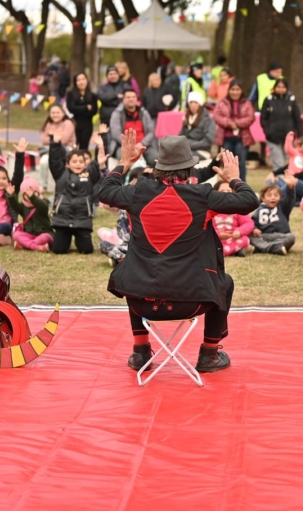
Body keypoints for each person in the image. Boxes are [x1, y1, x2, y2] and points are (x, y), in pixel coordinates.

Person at [94, 131, 259, 374]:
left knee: (135, 274)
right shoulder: (203, 197)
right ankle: (209, 355)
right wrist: (235, 178)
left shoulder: (137, 193)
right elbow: (249, 201)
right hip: (192, 301)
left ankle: (140, 353)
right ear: (190, 168)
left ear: (159, 167)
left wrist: (124, 163)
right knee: (225, 282)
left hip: (143, 303)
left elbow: (104, 192)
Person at [49, 134, 103, 255]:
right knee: (58, 250)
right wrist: (55, 144)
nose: (78, 164)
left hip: (82, 220)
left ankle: (81, 239)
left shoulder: (90, 174)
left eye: (81, 161)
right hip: (62, 220)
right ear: (67, 164)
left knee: (86, 250)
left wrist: (99, 146)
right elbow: (54, 161)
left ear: (85, 164)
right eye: (74, 161)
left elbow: (97, 163)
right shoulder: (60, 174)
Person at [212, 80, 256, 181]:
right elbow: (216, 116)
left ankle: (242, 186)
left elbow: (251, 117)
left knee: (240, 163)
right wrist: (229, 123)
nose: (235, 92)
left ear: (241, 91)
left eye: (237, 89)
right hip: (226, 138)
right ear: (229, 90)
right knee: (227, 163)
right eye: (233, 89)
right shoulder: (222, 102)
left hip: (242, 138)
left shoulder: (247, 103)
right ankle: (227, 185)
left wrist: (237, 124)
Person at [260, 78, 303, 175]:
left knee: (284, 162)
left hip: (287, 138)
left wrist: (299, 135)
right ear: (274, 87)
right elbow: (263, 118)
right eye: (278, 87)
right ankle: (279, 185)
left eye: (283, 87)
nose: (280, 89)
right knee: (278, 163)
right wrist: (268, 131)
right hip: (272, 137)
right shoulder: (269, 100)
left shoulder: (291, 100)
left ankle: (280, 183)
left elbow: (297, 118)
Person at [108, 89, 157, 167]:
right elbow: (116, 133)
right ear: (123, 99)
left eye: (133, 97)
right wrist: (130, 146)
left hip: (144, 146)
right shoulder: (117, 113)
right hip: (124, 147)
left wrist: (142, 143)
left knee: (156, 159)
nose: (131, 99)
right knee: (125, 162)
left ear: (137, 99)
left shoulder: (144, 113)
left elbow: (151, 131)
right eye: (128, 97)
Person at [250, 181, 297, 255]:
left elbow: (290, 199)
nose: (273, 198)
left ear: (280, 197)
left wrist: (290, 188)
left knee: (291, 237)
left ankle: (262, 247)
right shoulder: (259, 210)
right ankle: (275, 248)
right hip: (265, 236)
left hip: (281, 236)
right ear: (263, 198)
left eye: (276, 195)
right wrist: (255, 229)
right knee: (250, 236)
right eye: (269, 195)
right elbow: (253, 222)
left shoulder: (283, 207)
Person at [213, 180, 255, 257]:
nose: (225, 193)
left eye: (228, 191)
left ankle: (222, 252)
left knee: (245, 240)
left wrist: (239, 231)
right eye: (222, 191)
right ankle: (236, 250)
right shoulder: (211, 210)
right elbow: (205, 227)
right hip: (216, 239)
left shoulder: (237, 209)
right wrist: (218, 234)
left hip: (233, 238)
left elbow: (249, 223)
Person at [66, 72, 98, 149]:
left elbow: (94, 111)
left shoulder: (92, 95)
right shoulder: (71, 94)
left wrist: (79, 108)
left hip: (87, 124)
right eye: (78, 80)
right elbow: (71, 108)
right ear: (75, 82)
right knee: (73, 146)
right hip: (75, 123)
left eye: (83, 79)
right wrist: (85, 107)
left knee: (84, 147)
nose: (81, 82)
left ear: (87, 80)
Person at [179, 92, 216, 156]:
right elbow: (180, 136)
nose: (193, 105)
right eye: (191, 102)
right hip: (187, 149)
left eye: (196, 102)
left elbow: (208, 141)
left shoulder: (208, 121)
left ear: (200, 104)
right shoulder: (187, 119)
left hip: (202, 151)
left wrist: (189, 144)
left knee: (182, 157)